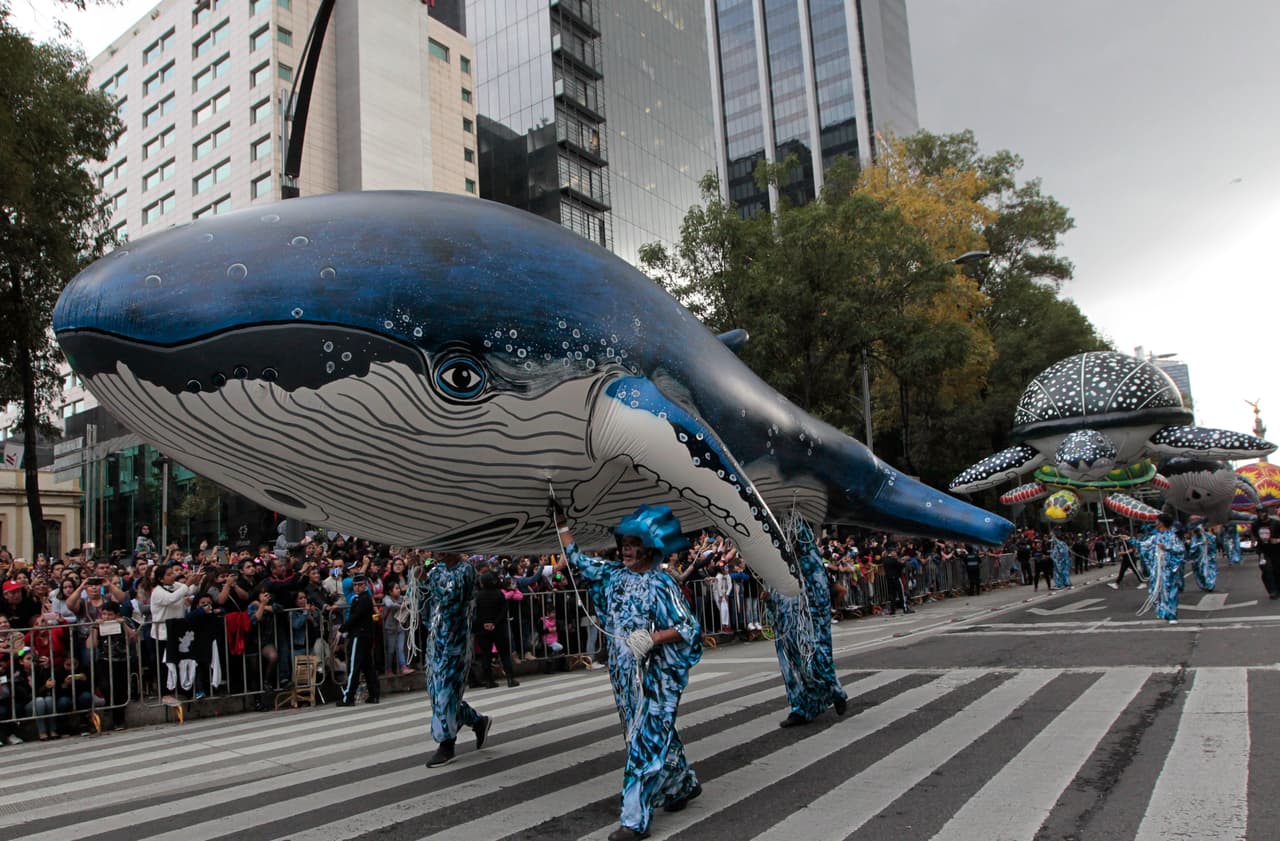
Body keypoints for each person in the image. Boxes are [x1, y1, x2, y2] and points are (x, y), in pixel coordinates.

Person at [553, 503, 702, 841]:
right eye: (624, 543)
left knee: (645, 740)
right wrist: (561, 524)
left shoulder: (662, 584)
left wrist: (653, 638)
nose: (626, 550)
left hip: (657, 675)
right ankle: (682, 784)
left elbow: (688, 627)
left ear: (649, 548)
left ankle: (633, 821)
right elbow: (575, 559)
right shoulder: (612, 575)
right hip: (624, 676)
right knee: (645, 735)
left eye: (633, 544)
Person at [767, 518, 847, 729]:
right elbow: (774, 586)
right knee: (792, 665)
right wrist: (769, 599)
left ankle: (834, 689)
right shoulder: (776, 559)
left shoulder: (811, 563)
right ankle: (800, 708)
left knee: (814, 657)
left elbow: (819, 594)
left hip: (809, 620)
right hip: (785, 621)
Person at [421, 552, 492, 769]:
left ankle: (446, 743)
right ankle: (478, 721)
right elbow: (426, 603)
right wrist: (417, 579)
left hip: (456, 643)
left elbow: (452, 599)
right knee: (436, 692)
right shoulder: (436, 570)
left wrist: (426, 581)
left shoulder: (466, 570)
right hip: (436, 641)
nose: (436, 553)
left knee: (446, 692)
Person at [337, 573, 380, 706]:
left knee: (353, 666)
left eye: (360, 585)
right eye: (355, 585)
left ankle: (348, 697)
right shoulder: (361, 598)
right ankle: (373, 694)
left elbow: (355, 617)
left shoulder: (363, 599)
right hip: (364, 634)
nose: (357, 587)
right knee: (367, 667)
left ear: (365, 585)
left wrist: (342, 629)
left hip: (359, 635)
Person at [1137, 512, 1186, 624]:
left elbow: (1180, 550)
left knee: (1171, 591)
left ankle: (1172, 615)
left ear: (1161, 523)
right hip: (1157, 570)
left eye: (1157, 521)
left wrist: (1167, 548)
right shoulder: (1155, 537)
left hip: (1169, 569)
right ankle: (1162, 611)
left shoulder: (1173, 537)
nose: (1155, 523)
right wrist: (1129, 539)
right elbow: (1143, 545)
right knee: (1155, 591)